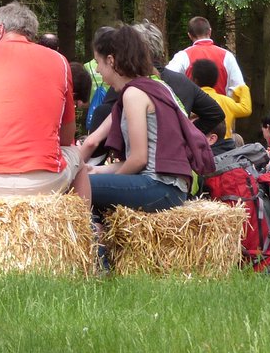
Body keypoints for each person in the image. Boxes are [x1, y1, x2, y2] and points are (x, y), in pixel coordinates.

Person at [0, 2, 88, 200]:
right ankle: (84, 226)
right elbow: (67, 139)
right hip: (45, 182)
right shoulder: (60, 61)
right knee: (79, 162)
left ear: (0, 30)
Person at [88, 26, 210, 214]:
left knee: (77, 187)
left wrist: (113, 183)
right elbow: (144, 160)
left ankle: (97, 240)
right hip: (170, 188)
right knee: (87, 180)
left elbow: (138, 159)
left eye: (98, 62)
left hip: (159, 187)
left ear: (111, 61)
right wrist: (98, 172)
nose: (97, 69)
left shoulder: (133, 94)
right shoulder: (153, 86)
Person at [88, 23, 225, 144]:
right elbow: (215, 113)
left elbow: (104, 118)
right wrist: (183, 139)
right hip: (177, 161)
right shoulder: (182, 82)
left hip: (136, 161)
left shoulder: (127, 82)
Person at [164, 15, 246, 96]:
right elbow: (238, 87)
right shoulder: (227, 56)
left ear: (189, 35)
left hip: (193, 107)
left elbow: (167, 79)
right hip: (220, 107)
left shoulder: (182, 56)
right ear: (210, 31)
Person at [190, 58, 251, 153]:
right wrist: (242, 88)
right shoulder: (226, 101)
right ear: (216, 80)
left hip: (196, 149)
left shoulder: (190, 101)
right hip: (224, 150)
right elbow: (246, 109)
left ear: (194, 80)